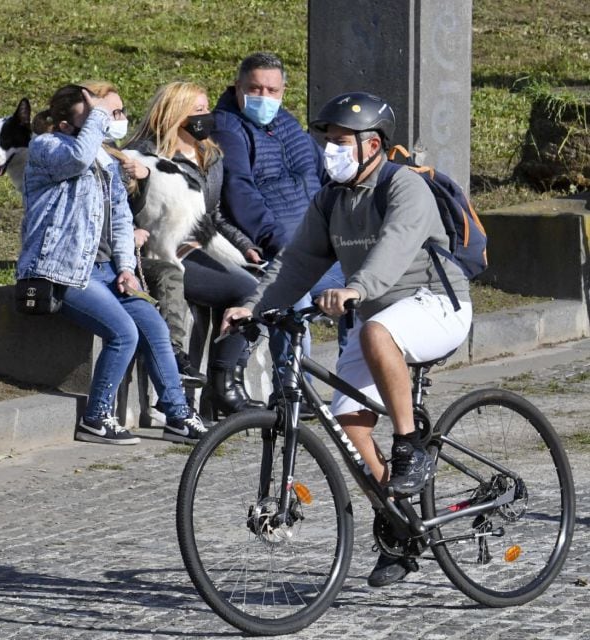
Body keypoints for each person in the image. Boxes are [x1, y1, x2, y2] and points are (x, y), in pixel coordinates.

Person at [222, 91, 472, 588]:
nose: (329, 151)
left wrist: (356, 288)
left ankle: (409, 447)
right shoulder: (331, 199)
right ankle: (400, 527)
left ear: (372, 144)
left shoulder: (404, 188)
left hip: (437, 304)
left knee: (378, 331)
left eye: (339, 142)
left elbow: (393, 249)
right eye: (327, 142)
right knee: (348, 426)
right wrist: (254, 307)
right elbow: (295, 265)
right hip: (375, 312)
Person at [18, 83, 206, 445]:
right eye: (104, 114)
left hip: (106, 272)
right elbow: (76, 159)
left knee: (154, 326)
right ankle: (96, 416)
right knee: (123, 333)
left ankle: (178, 415)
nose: (113, 121)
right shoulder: (47, 147)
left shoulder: (106, 158)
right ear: (65, 123)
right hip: (65, 271)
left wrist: (126, 268)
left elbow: (121, 218)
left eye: (117, 113)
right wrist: (98, 115)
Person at [124, 81, 266, 416]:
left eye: (206, 109)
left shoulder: (209, 153)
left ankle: (224, 381)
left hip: (199, 245)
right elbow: (122, 209)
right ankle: (223, 388)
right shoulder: (141, 155)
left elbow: (212, 215)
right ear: (174, 115)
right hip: (158, 255)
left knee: (258, 285)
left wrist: (245, 247)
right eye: (197, 110)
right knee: (248, 290)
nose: (206, 117)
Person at [212, 52, 347, 398]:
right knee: (293, 302)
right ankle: (294, 392)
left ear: (283, 90)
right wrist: (278, 241)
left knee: (359, 296)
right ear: (238, 86)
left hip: (321, 247)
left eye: (272, 90)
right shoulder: (227, 127)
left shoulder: (290, 126)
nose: (263, 97)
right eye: (254, 88)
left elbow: (326, 179)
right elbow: (239, 190)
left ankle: (354, 386)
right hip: (279, 249)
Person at [79, 80, 206, 390]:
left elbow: (126, 210)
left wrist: (143, 181)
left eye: (121, 111)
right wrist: (126, 242)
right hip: (92, 267)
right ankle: (172, 368)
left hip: (121, 262)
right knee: (162, 282)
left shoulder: (117, 159)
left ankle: (176, 395)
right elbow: (81, 223)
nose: (120, 119)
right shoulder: (73, 159)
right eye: (111, 113)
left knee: (164, 285)